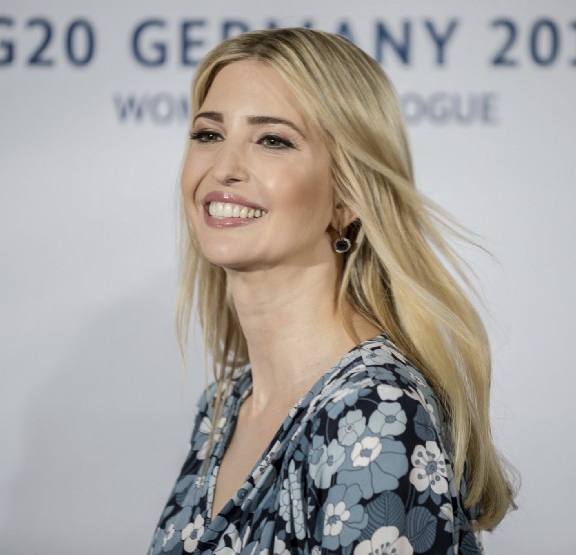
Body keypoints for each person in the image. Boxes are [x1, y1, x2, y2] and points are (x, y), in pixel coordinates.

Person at [148, 28, 515, 555]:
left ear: (348, 195)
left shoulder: (374, 417)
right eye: (208, 134)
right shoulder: (225, 405)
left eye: (272, 139)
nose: (222, 168)